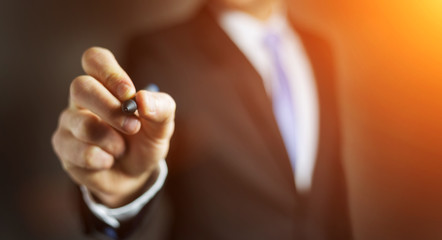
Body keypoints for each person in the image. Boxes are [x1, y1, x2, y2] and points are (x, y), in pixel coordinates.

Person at [52, 0, 352, 239]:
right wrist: (119, 193)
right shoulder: (159, 51)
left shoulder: (320, 49)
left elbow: (331, 183)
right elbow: (127, 153)